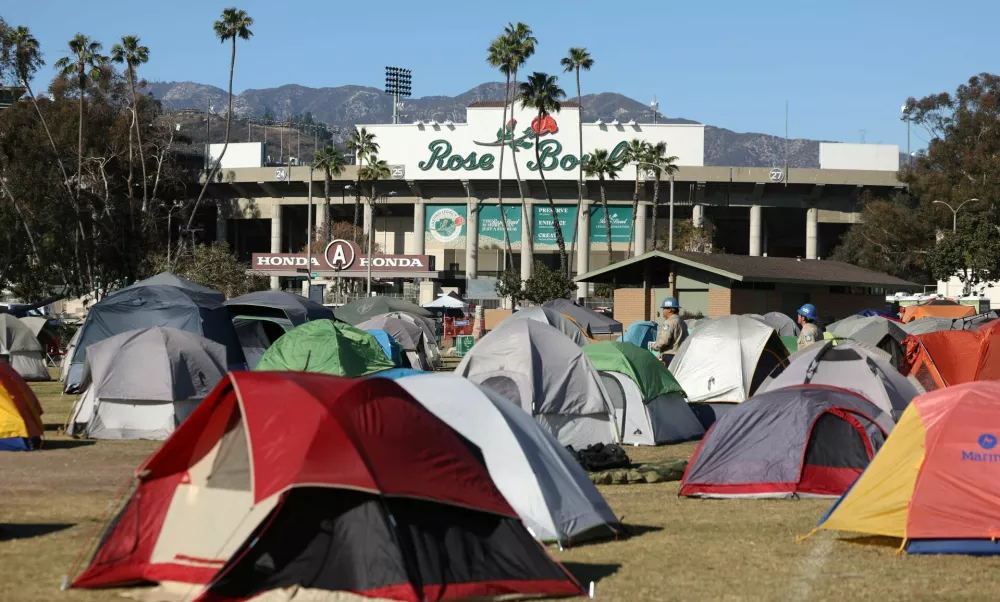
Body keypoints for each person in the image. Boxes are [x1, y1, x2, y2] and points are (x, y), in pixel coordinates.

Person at [650, 297, 688, 364]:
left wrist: (655, 347)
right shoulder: (682, 321)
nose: (663, 310)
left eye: (664, 308)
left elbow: (664, 341)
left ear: (670, 310)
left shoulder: (669, 322)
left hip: (669, 356)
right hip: (680, 355)